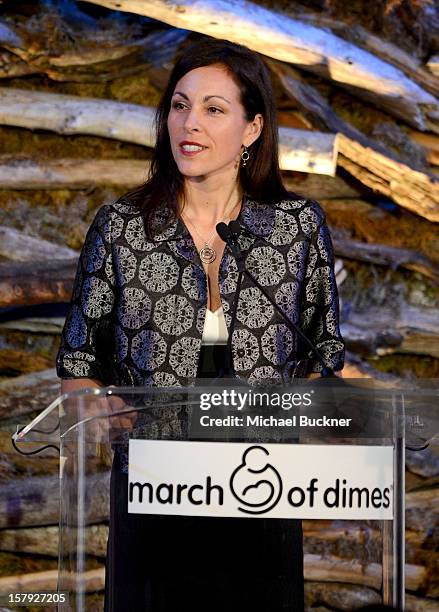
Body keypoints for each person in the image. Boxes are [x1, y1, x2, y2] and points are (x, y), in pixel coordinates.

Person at [56, 37, 344, 611]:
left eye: (214, 109)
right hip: (155, 493)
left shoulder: (295, 229)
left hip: (260, 492)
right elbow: (78, 362)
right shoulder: (122, 228)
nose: (190, 123)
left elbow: (325, 355)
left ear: (253, 129)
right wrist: (96, 408)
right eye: (181, 105)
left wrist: (307, 411)